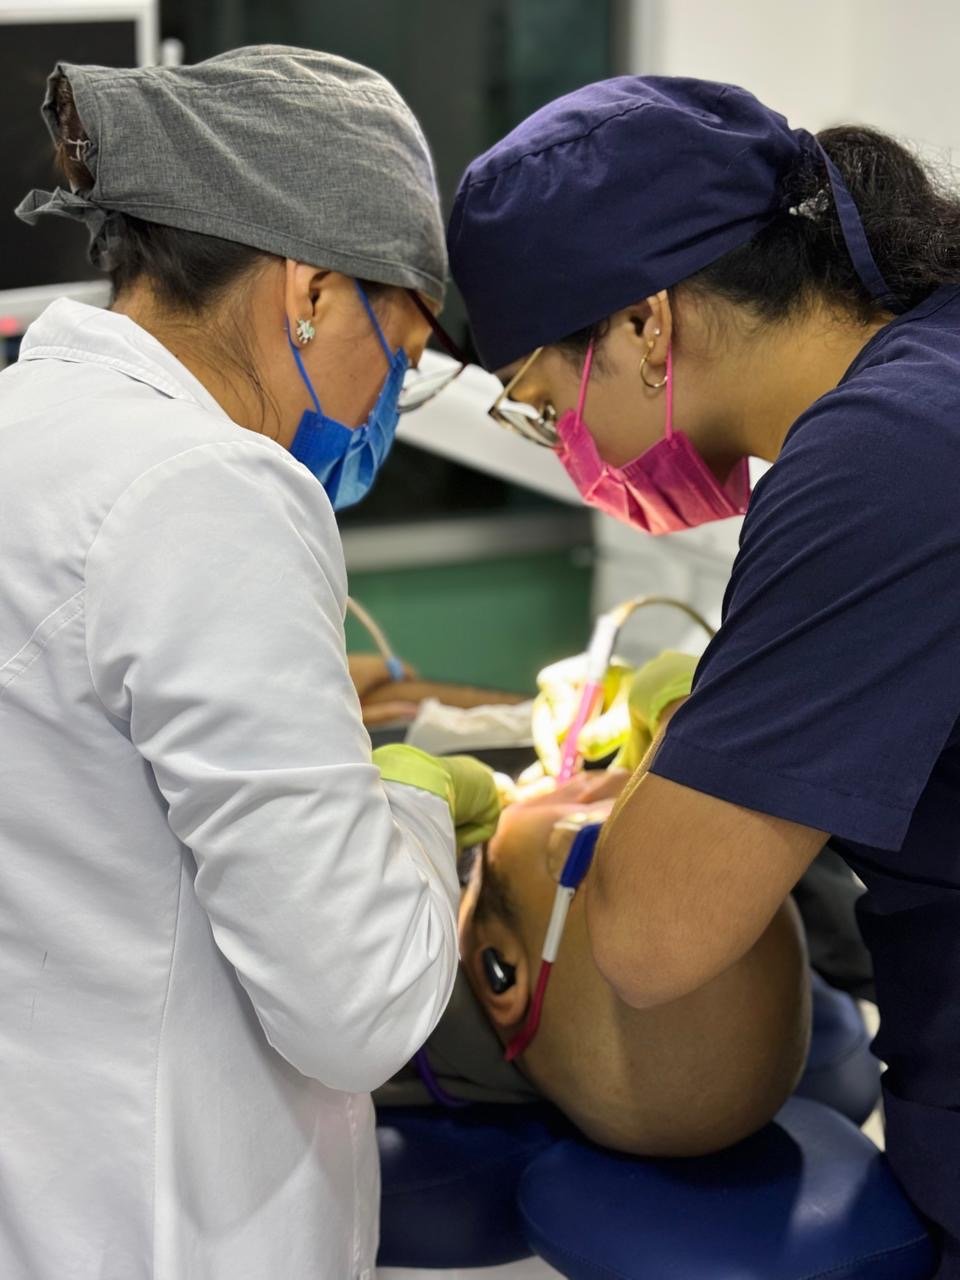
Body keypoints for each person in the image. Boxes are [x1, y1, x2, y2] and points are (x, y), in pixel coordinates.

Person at [0, 47, 499, 1280]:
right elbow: (362, 1003)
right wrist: (420, 801)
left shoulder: (30, 434)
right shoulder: (212, 489)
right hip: (168, 1221)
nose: (389, 396)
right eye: (402, 350)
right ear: (313, 293)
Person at [448, 77, 960, 1274]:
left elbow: (650, 938)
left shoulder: (877, 466)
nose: (570, 452)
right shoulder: (926, 378)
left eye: (546, 410)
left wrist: (684, 753)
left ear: (644, 325)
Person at [379, 766, 810, 1157]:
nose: (625, 779)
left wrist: (393, 813)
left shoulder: (360, 985)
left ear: (500, 973)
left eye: (597, 834)